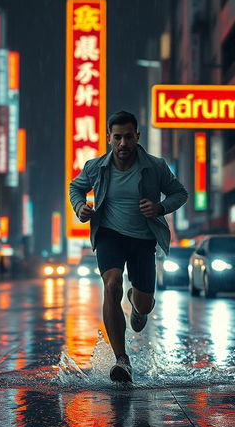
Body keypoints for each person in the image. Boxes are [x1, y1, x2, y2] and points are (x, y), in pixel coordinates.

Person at [69, 110, 188, 383]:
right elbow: (76, 188)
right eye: (117, 137)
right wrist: (80, 207)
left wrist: (159, 207)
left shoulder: (155, 166)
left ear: (137, 137)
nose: (123, 143)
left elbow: (180, 193)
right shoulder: (95, 167)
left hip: (143, 238)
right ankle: (121, 360)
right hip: (109, 234)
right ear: (109, 138)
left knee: (144, 305)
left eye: (128, 137)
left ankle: (137, 303)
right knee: (111, 285)